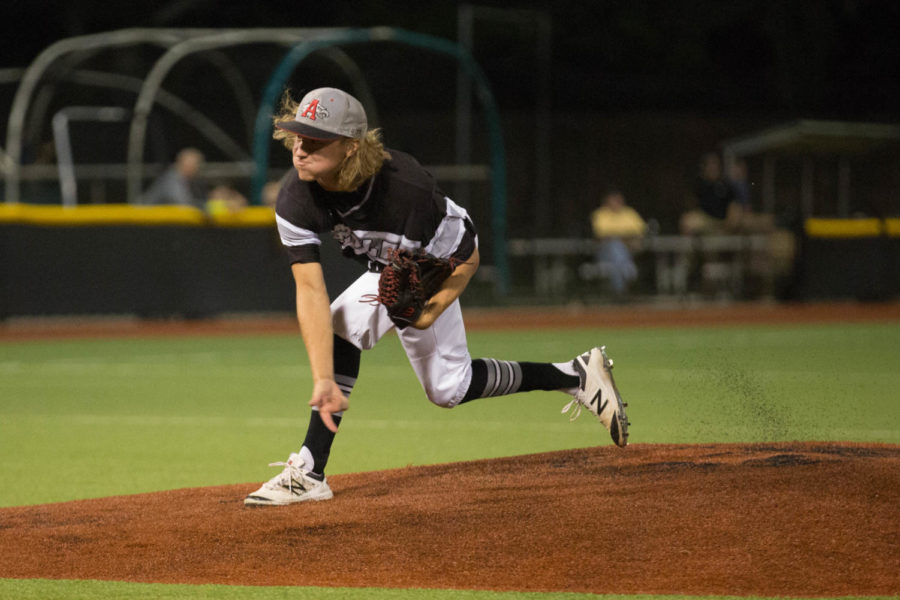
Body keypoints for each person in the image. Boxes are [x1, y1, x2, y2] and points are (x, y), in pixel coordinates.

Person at [243, 88, 630, 506]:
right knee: (340, 325)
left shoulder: (406, 192)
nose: (300, 149)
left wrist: (429, 311)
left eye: (315, 140)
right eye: (298, 136)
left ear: (351, 147)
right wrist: (322, 379)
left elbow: (469, 258)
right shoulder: (295, 196)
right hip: (391, 267)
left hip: (439, 259)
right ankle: (309, 471)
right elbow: (310, 289)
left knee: (449, 388)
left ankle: (574, 376)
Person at [589, 188, 647, 298]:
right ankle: (621, 290)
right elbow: (601, 235)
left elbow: (640, 233)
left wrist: (617, 237)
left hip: (629, 252)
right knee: (616, 248)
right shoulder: (600, 214)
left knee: (618, 250)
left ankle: (619, 291)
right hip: (605, 253)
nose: (616, 202)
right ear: (607, 201)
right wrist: (624, 237)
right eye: (613, 200)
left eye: (618, 200)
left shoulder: (629, 213)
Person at [140, 147, 208, 208]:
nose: (196, 169)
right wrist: (207, 206)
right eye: (194, 165)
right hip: (139, 218)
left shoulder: (189, 182)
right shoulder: (170, 180)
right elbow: (183, 204)